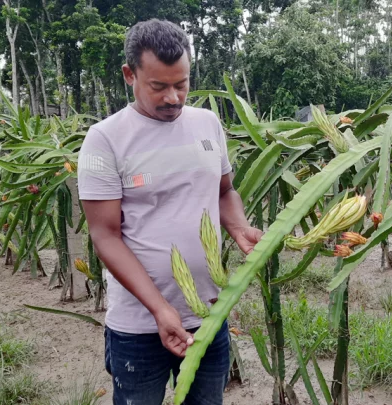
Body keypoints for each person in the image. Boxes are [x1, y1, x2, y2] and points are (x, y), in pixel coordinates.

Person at [77, 18, 263, 405]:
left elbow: (225, 192)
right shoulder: (105, 140)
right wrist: (161, 309)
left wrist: (239, 226)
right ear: (130, 74)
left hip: (209, 315)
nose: (174, 98)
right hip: (139, 327)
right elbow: (105, 236)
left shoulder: (208, 124)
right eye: (159, 87)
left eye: (182, 84)